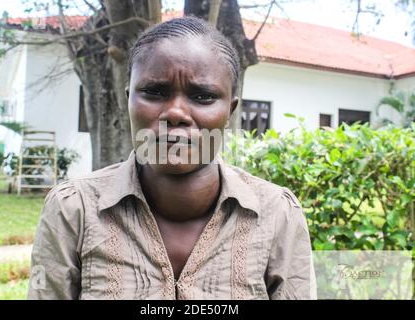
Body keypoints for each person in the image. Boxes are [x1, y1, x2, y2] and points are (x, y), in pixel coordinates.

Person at [28, 16, 315, 300]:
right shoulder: (73, 210)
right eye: (154, 92)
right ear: (128, 99)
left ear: (230, 110)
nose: (176, 113)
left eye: (202, 96)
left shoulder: (277, 214)